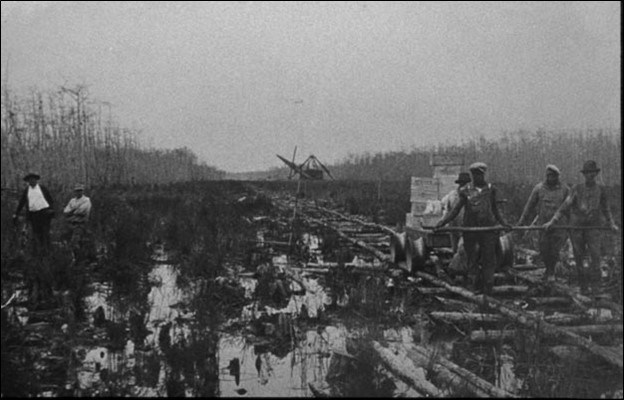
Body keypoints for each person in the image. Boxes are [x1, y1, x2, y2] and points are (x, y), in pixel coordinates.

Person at [434, 162, 511, 295]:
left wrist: (504, 223)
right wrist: (442, 222)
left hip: (488, 230)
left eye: (479, 174)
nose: (476, 177)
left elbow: (495, 210)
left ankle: (488, 288)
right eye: (474, 175)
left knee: (489, 259)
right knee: (472, 259)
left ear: (483, 175)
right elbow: (455, 210)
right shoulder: (465, 191)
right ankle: (473, 286)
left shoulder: (491, 190)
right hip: (470, 230)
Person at [544, 160, 618, 293]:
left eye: (593, 173)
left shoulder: (601, 189)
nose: (590, 175)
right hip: (577, 228)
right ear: (584, 175)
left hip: (593, 228)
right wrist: (552, 222)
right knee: (579, 257)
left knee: (595, 256)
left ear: (595, 174)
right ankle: (583, 287)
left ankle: (596, 287)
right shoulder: (576, 189)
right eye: (588, 173)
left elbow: (606, 208)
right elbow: (564, 207)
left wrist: (611, 223)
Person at [516, 165, 570, 282]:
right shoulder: (539, 189)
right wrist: (521, 222)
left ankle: (551, 272)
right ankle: (548, 270)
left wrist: (572, 224)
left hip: (559, 226)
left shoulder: (565, 189)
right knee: (544, 248)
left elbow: (570, 207)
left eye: (553, 176)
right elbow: (529, 207)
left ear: (557, 176)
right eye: (549, 176)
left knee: (555, 250)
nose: (551, 178)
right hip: (543, 226)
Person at [13, 172, 56, 254]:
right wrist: (17, 213)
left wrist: (52, 210)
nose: (32, 181)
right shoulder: (27, 190)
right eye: (30, 180)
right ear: (28, 181)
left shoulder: (42, 188)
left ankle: (48, 251)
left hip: (44, 212)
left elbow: (50, 199)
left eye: (33, 179)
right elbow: (22, 202)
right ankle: (39, 251)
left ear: (36, 180)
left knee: (45, 232)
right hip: (33, 214)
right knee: (36, 232)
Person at [441, 171, 472, 253]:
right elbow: (448, 211)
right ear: (459, 183)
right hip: (454, 226)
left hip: (467, 227)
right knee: (454, 249)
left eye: (465, 183)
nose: (464, 185)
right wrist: (442, 222)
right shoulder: (452, 195)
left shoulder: (472, 195)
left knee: (462, 248)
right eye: (462, 183)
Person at [63, 184, 92, 259]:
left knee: (75, 242)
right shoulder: (72, 200)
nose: (78, 192)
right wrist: (74, 210)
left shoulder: (86, 200)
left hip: (80, 224)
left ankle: (79, 258)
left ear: (82, 191)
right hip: (70, 224)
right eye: (77, 191)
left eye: (80, 190)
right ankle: (74, 258)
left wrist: (72, 211)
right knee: (67, 242)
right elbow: (66, 211)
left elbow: (81, 211)